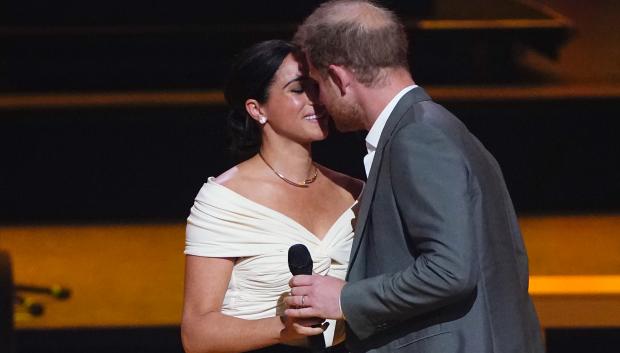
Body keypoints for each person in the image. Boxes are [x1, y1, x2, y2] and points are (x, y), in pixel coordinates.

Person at [285, 1, 545, 353]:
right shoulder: (437, 126)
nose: (320, 103)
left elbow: (451, 270)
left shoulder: (418, 137)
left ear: (339, 77)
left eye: (317, 85)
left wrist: (346, 298)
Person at [181, 39, 362, 353]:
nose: (315, 100)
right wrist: (283, 329)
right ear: (257, 109)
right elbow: (196, 334)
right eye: (297, 89)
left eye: (317, 87)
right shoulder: (224, 200)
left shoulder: (353, 192)